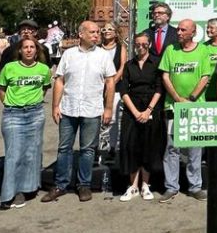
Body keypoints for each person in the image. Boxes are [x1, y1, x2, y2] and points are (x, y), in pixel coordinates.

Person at [41, 21, 115, 203]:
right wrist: (55, 106)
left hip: (92, 109)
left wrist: (108, 108)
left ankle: (84, 185)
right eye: (92, 32)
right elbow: (59, 80)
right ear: (81, 34)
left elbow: (110, 82)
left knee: (87, 150)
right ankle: (60, 184)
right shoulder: (69, 54)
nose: (97, 35)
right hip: (69, 108)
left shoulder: (103, 56)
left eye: (98, 32)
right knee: (64, 148)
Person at [0, 35, 52, 210]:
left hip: (35, 113)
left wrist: (34, 102)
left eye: (32, 47)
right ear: (20, 50)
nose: (29, 50)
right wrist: (9, 103)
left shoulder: (44, 70)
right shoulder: (9, 68)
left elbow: (44, 89)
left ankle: (28, 188)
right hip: (13, 114)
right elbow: (1, 89)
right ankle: (9, 194)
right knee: (13, 154)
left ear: (37, 52)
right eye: (25, 47)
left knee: (32, 152)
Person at [159, 18, 211, 203]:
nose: (178, 32)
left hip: (195, 108)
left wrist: (190, 99)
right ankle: (171, 187)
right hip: (173, 107)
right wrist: (177, 99)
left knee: (195, 149)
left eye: (183, 30)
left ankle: (195, 186)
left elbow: (205, 76)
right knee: (172, 147)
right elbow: (165, 76)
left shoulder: (203, 50)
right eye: (178, 29)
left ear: (193, 32)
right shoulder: (171, 50)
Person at [118, 31, 165, 202]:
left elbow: (160, 88)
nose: (140, 47)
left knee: (149, 147)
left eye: (144, 44)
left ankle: (145, 185)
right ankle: (133, 186)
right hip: (132, 110)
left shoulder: (157, 64)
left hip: (151, 109)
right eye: (137, 44)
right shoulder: (129, 65)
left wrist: (148, 111)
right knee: (131, 147)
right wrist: (136, 112)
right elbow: (124, 90)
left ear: (150, 45)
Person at [99, 22, 127, 154]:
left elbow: (122, 67)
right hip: (98, 88)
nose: (106, 31)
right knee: (98, 118)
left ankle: (112, 148)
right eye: (104, 29)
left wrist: (112, 83)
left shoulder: (121, 48)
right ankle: (99, 147)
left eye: (110, 29)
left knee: (113, 118)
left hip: (115, 88)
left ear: (116, 33)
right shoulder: (97, 48)